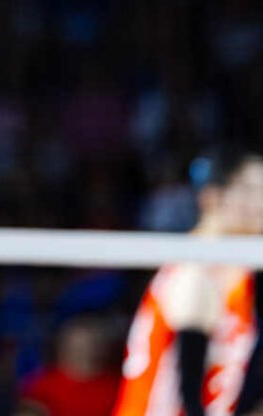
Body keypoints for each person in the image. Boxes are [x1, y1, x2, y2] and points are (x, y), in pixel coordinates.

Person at [113, 153, 263, 416]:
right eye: (251, 190)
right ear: (213, 196)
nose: (260, 202)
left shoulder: (239, 275)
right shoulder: (195, 268)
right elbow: (188, 394)